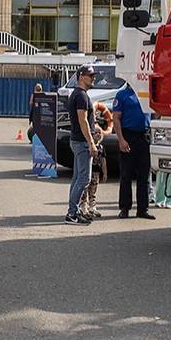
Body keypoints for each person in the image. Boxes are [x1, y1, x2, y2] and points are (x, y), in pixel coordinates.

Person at [112, 81, 155, 220]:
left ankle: (143, 209)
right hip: (128, 135)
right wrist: (121, 140)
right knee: (126, 175)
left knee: (144, 176)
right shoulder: (122, 95)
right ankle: (125, 208)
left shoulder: (147, 94)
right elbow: (116, 118)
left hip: (144, 136)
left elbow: (155, 114)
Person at [64, 65, 97, 225]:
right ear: (81, 77)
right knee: (84, 178)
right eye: (90, 76)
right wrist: (91, 143)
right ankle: (72, 213)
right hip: (82, 142)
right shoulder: (81, 96)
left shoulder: (77, 95)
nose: (93, 78)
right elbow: (83, 120)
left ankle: (73, 212)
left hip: (77, 141)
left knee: (77, 178)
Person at [79, 101, 114, 219]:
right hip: (88, 170)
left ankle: (92, 207)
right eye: (96, 133)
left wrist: (105, 173)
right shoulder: (88, 147)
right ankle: (83, 206)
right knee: (85, 190)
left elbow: (103, 161)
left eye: (100, 133)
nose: (98, 135)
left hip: (96, 172)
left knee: (93, 191)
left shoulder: (101, 148)